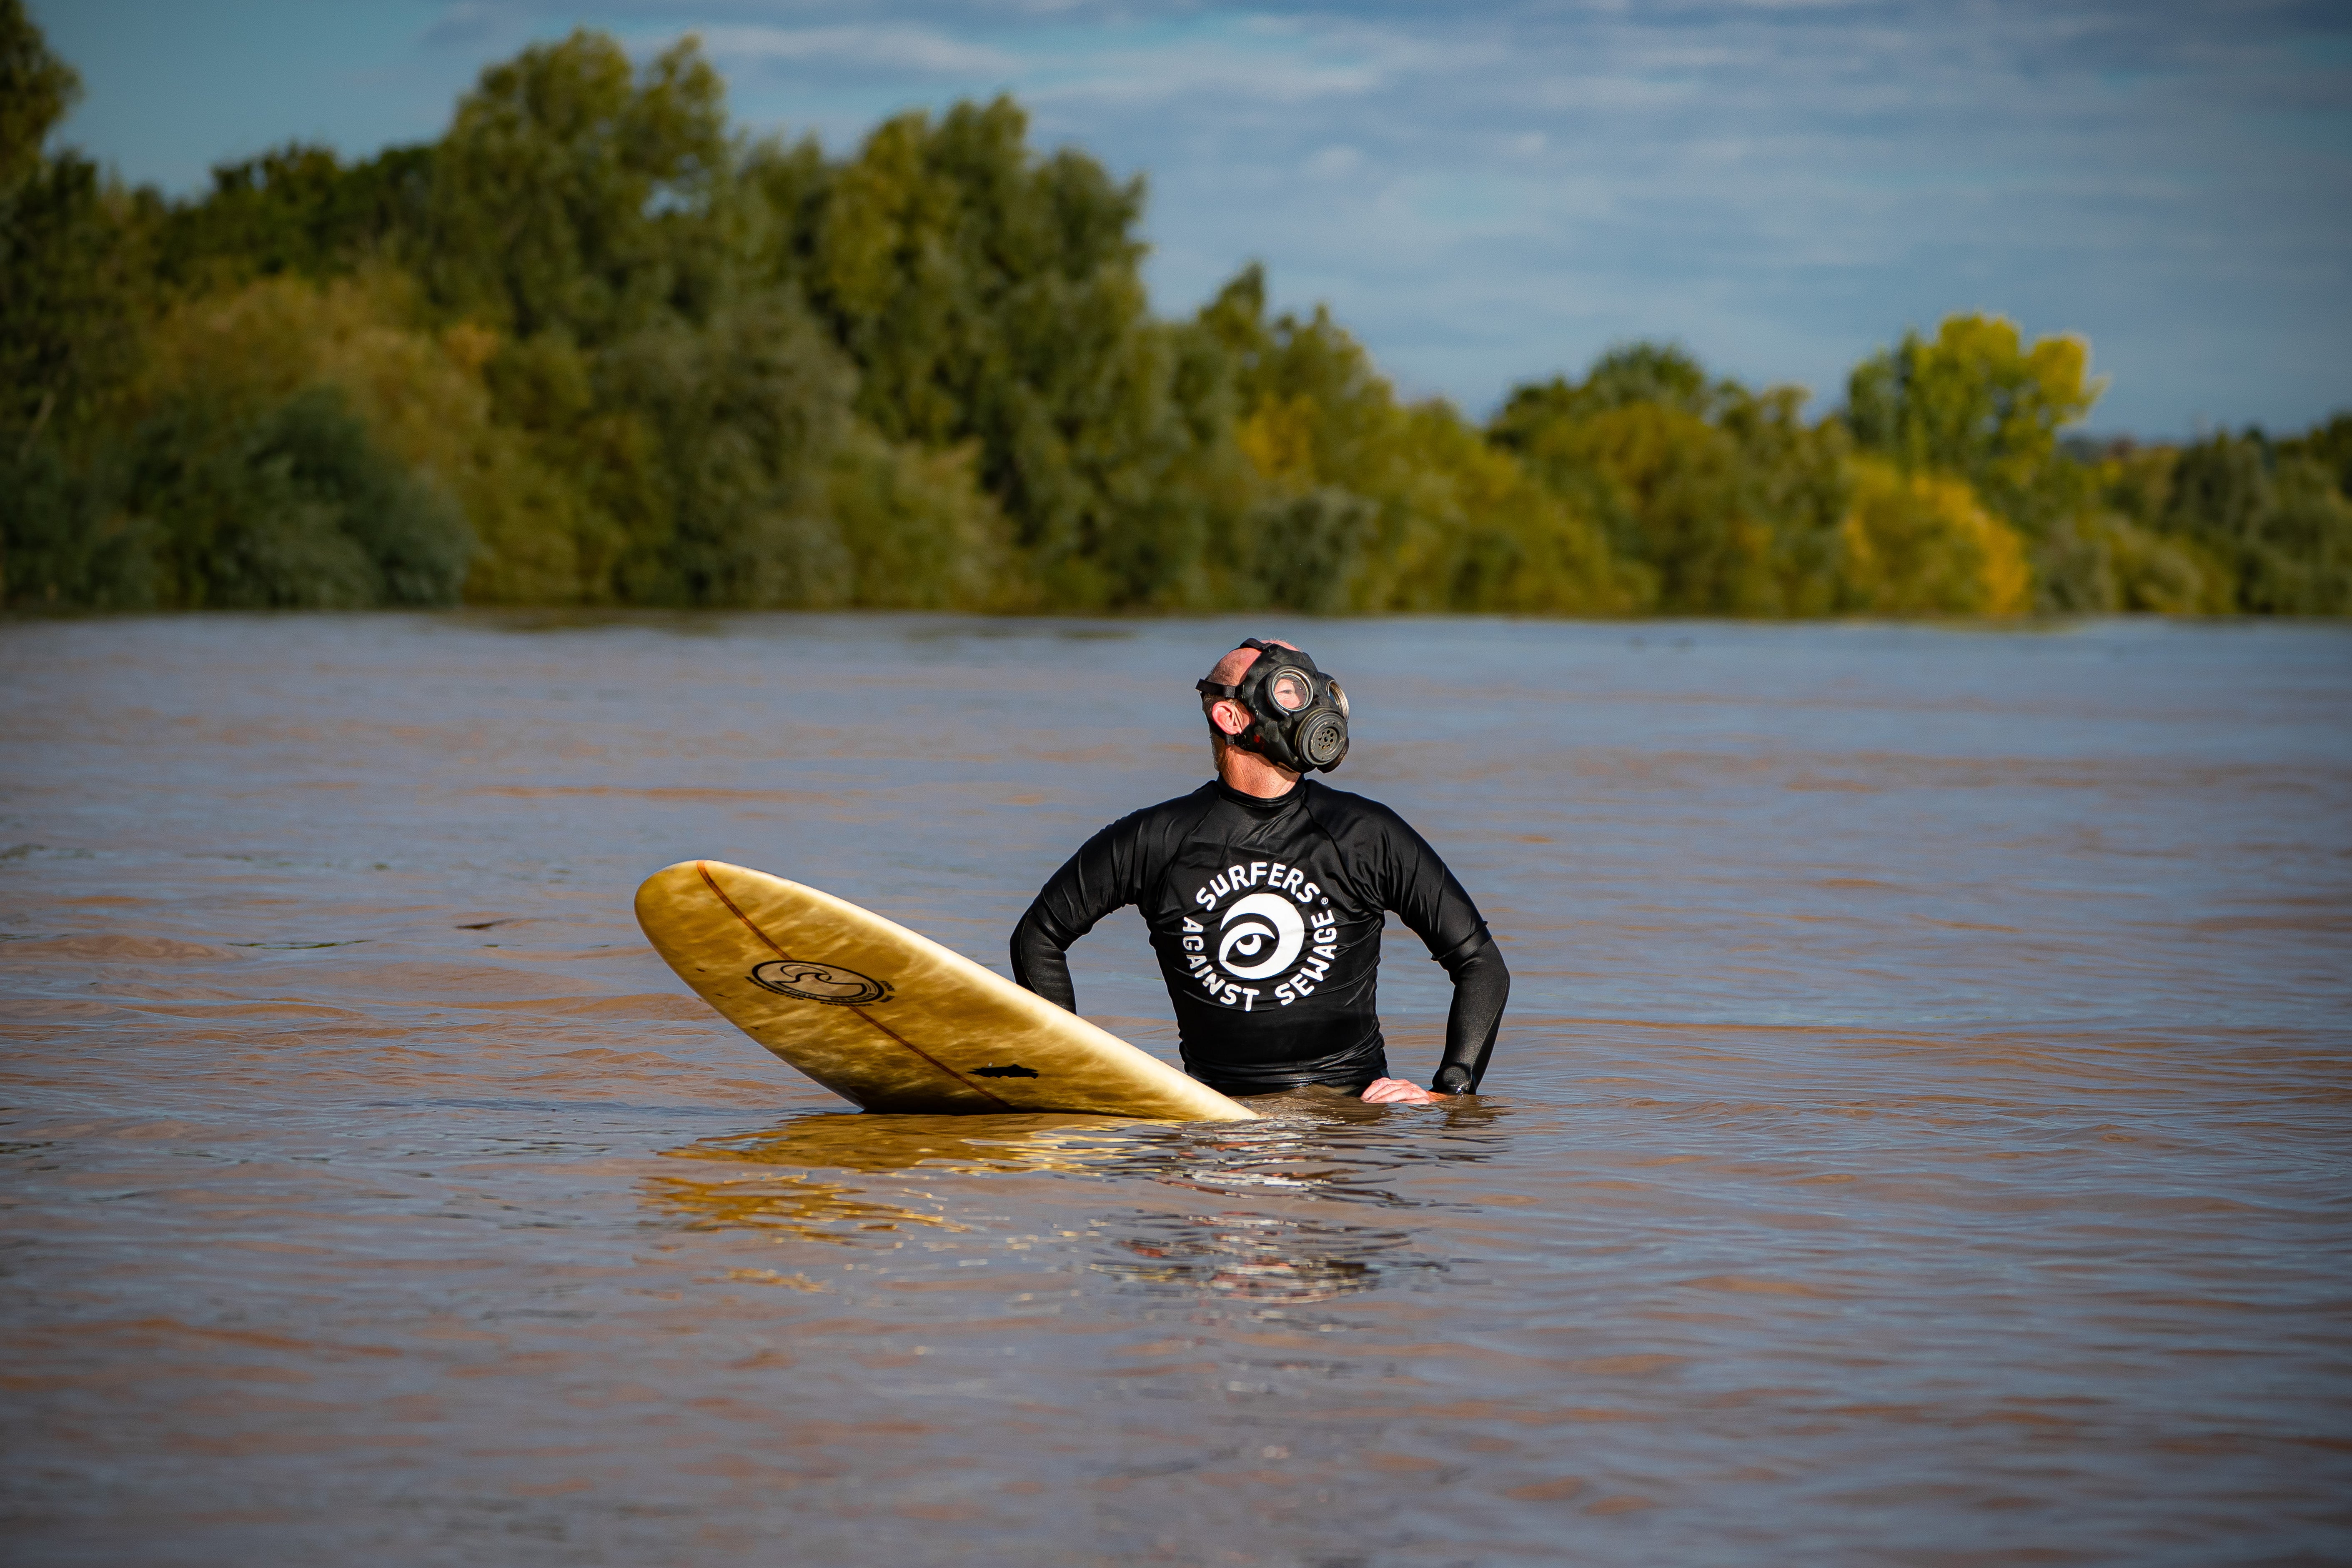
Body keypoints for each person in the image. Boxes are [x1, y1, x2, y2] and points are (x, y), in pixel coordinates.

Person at [1010, 638, 1508, 1105]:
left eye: (1314, 689)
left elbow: (1482, 966)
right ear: (1230, 715)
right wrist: (1069, 1073)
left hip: (1347, 1126)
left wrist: (1450, 1093)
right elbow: (1039, 937)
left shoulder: (1364, 833)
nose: (1313, 707)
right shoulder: (1157, 839)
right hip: (1216, 1118)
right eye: (1290, 690)